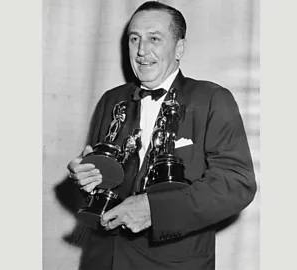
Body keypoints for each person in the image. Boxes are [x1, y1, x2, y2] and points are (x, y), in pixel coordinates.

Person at [67, 1, 257, 269]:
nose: (142, 51)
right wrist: (87, 177)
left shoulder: (212, 98)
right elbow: (104, 188)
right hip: (103, 261)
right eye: (135, 39)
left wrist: (154, 209)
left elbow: (236, 184)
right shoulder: (111, 100)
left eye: (154, 38)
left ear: (179, 48)